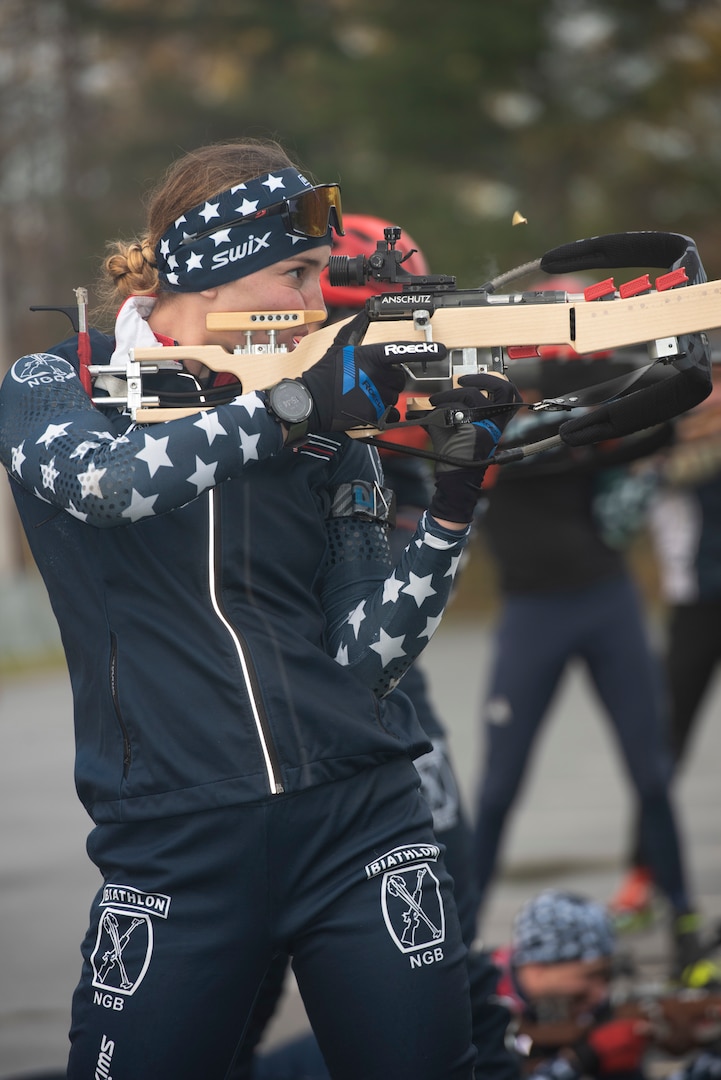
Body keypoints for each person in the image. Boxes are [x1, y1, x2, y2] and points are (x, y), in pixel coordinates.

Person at [0, 138, 521, 1079]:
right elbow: (114, 486)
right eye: (298, 272)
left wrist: (451, 506)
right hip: (175, 847)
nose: (320, 303)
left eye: (323, 275)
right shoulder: (57, 383)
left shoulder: (327, 414)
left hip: (363, 826)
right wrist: (288, 407)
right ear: (216, 269)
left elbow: (367, 660)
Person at [237, 214, 518, 1080]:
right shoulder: (238, 392)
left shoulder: (387, 401)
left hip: (378, 676)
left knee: (442, 930)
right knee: (232, 996)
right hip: (255, 715)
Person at [470, 305, 705, 983]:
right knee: (498, 788)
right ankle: (458, 934)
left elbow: (633, 469)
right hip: (531, 616)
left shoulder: (573, 430)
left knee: (650, 773)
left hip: (605, 604)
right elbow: (523, 441)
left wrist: (665, 411)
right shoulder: (490, 436)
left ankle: (684, 918)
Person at [608, 383, 721, 957]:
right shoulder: (672, 433)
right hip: (697, 602)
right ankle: (642, 874)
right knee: (664, 740)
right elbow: (657, 477)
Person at [497, 890, 721, 1080]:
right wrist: (582, 1059)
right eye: (589, 975)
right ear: (537, 968)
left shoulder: (588, 1011)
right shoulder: (481, 1009)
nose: (600, 993)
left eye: (606, 976)